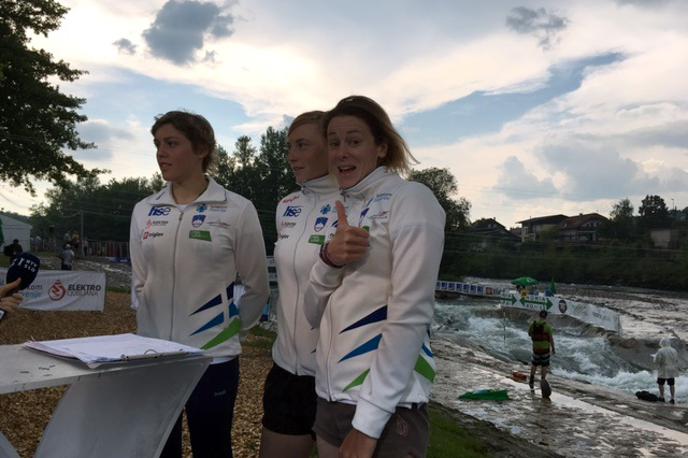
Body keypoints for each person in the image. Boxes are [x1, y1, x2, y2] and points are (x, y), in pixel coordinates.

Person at [304, 95, 445, 458]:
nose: (341, 152)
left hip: (386, 410)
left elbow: (411, 315)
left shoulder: (411, 199)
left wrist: (367, 425)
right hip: (329, 399)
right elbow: (311, 313)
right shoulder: (338, 209)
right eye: (334, 143)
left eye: (354, 140)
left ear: (381, 147)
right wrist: (328, 259)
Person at [130, 110, 269, 458]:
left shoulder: (236, 209)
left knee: (213, 448)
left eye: (172, 143)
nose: (161, 152)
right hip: (155, 356)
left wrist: (231, 334)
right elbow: (139, 280)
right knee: (160, 448)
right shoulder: (145, 209)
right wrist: (149, 326)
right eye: (158, 144)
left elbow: (256, 286)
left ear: (202, 148)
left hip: (213, 359)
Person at [259, 111, 340, 458]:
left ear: (331, 147)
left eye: (302, 145)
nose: (292, 155)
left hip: (337, 377)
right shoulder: (286, 206)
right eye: (289, 146)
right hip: (287, 371)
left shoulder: (359, 205)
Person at [528, 310, 555, 393]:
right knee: (544, 366)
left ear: (539, 315)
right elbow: (551, 339)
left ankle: (531, 380)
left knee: (534, 364)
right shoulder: (548, 326)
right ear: (546, 317)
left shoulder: (533, 324)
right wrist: (553, 348)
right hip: (545, 349)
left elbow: (529, 334)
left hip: (536, 348)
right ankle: (542, 382)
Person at [655, 337, 679, 404]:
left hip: (663, 369)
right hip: (672, 369)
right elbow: (676, 360)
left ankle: (662, 397)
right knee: (671, 384)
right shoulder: (674, 350)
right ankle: (672, 398)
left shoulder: (660, 351)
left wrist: (655, 359)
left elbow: (657, 360)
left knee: (661, 383)